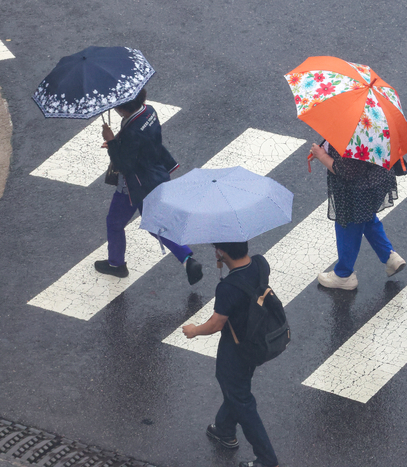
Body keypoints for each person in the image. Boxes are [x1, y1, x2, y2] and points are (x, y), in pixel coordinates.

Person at [182, 242, 279, 467]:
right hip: (255, 340)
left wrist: (194, 330)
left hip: (235, 348)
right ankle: (224, 429)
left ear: (221, 252)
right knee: (236, 389)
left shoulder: (228, 288)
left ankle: (267, 459)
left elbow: (216, 324)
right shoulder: (260, 263)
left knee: (241, 399)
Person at [96, 88, 202, 285]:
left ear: (121, 109)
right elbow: (140, 140)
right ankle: (187, 259)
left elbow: (124, 165)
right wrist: (120, 140)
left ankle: (116, 264)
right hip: (154, 176)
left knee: (114, 223)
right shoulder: (149, 112)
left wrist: (111, 142)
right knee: (155, 223)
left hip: (133, 186)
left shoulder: (132, 133)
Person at [308, 141, 406, 290]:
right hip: (376, 181)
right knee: (367, 218)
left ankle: (343, 275)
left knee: (347, 226)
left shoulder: (352, 139)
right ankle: (389, 256)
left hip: (357, 190)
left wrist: (321, 155)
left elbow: (346, 171)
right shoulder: (370, 128)